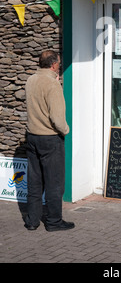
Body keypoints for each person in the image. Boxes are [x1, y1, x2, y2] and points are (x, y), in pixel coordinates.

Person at [24, 50, 74, 232]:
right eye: (59, 63)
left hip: (32, 136)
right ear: (54, 65)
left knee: (34, 182)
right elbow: (57, 118)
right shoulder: (52, 85)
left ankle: (32, 221)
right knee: (54, 182)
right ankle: (53, 221)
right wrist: (66, 131)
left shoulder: (31, 80)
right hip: (50, 138)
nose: (59, 66)